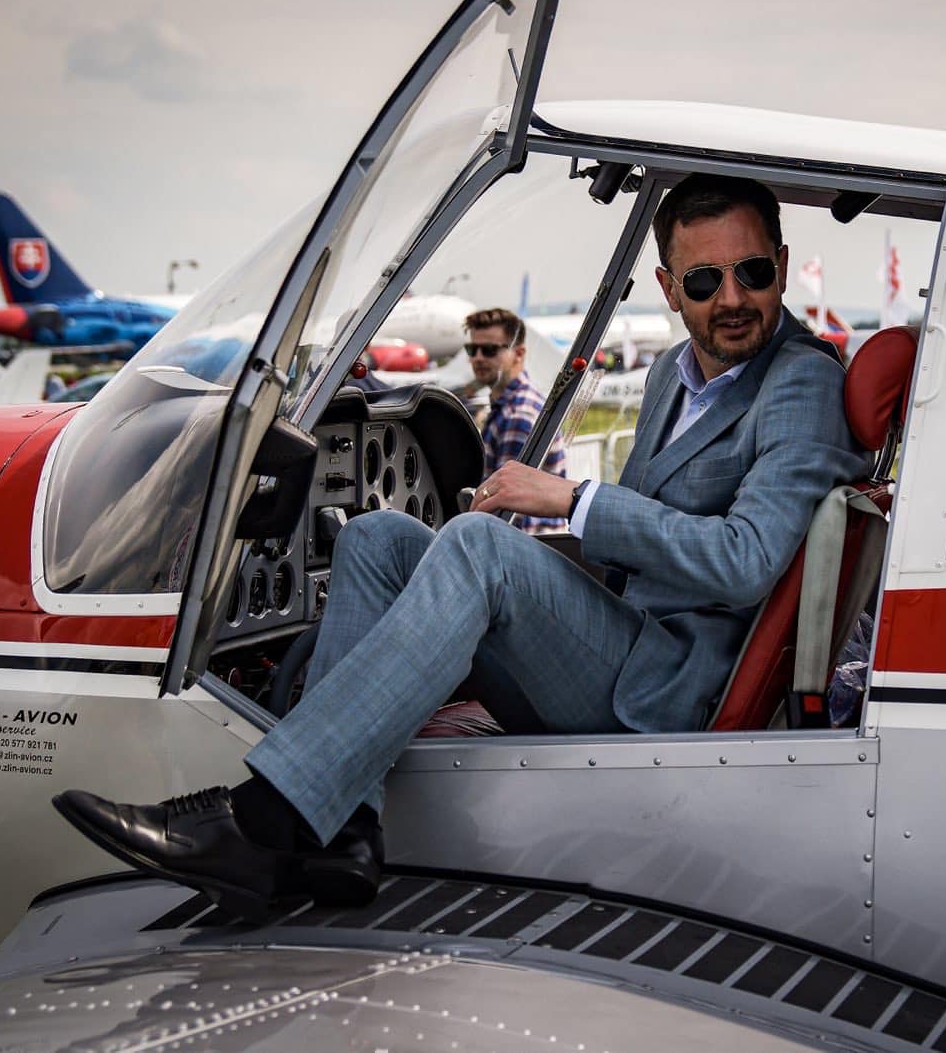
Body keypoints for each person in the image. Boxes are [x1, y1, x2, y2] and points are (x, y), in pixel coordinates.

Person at [52, 173, 867, 918]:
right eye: (705, 281)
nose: (732, 298)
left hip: (669, 687)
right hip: (629, 640)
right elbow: (636, 546)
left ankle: (266, 819)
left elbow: (746, 559)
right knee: (375, 537)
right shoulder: (672, 376)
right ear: (668, 288)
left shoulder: (801, 380)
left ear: (781, 265)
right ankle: (343, 835)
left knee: (476, 545)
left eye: (751, 272)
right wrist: (544, 563)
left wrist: (571, 500)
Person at [464, 307, 568, 534]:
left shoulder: (518, 415)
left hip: (524, 542)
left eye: (489, 350)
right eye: (472, 349)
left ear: (519, 354)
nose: (478, 357)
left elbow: (506, 512)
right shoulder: (508, 407)